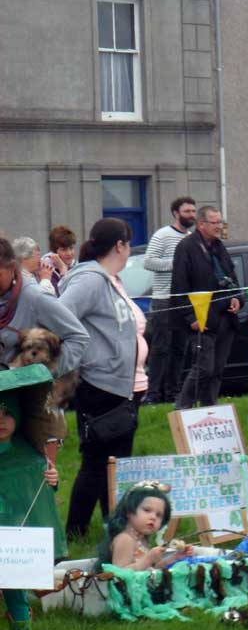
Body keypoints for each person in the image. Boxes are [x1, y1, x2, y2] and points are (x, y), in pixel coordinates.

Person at [57, 218, 149, 539]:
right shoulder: (91, 280)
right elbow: (59, 317)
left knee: (113, 466)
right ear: (120, 246)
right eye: (127, 244)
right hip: (99, 386)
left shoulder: (108, 279)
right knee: (97, 464)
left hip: (119, 386)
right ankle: (76, 532)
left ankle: (113, 527)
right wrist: (86, 357)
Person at [0, 392, 60, 630]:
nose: (1, 421)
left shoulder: (29, 453)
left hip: (15, 534)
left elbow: (38, 492)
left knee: (15, 590)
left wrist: (51, 480)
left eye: (7, 414)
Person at [171, 205, 245, 409]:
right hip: (202, 318)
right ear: (201, 224)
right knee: (203, 367)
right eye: (215, 222)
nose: (219, 226)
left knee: (217, 369)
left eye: (221, 222)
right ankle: (182, 408)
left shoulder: (219, 247)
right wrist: (189, 317)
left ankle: (209, 408)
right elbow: (179, 285)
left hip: (225, 318)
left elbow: (232, 277)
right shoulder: (186, 247)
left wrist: (237, 297)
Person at [0, 238, 87, 377]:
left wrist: (42, 375)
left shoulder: (35, 296)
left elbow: (78, 337)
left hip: (22, 392)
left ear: (11, 267)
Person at [142, 196, 197, 404]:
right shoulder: (163, 235)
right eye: (187, 211)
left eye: (193, 211)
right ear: (176, 213)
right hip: (164, 300)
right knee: (160, 348)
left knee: (179, 349)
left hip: (184, 301)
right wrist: (176, 264)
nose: (191, 215)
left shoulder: (192, 237)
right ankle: (153, 395)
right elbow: (148, 262)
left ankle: (173, 393)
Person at [98, 483, 193, 571]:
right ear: (128, 511)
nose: (153, 517)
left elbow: (149, 570)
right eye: (147, 510)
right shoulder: (125, 539)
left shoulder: (141, 540)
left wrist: (175, 557)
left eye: (159, 515)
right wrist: (148, 559)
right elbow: (119, 574)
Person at [42, 226, 77, 295]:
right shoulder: (47, 270)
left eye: (71, 248)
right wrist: (62, 268)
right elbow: (63, 295)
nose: (69, 253)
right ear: (54, 252)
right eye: (64, 250)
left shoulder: (76, 265)